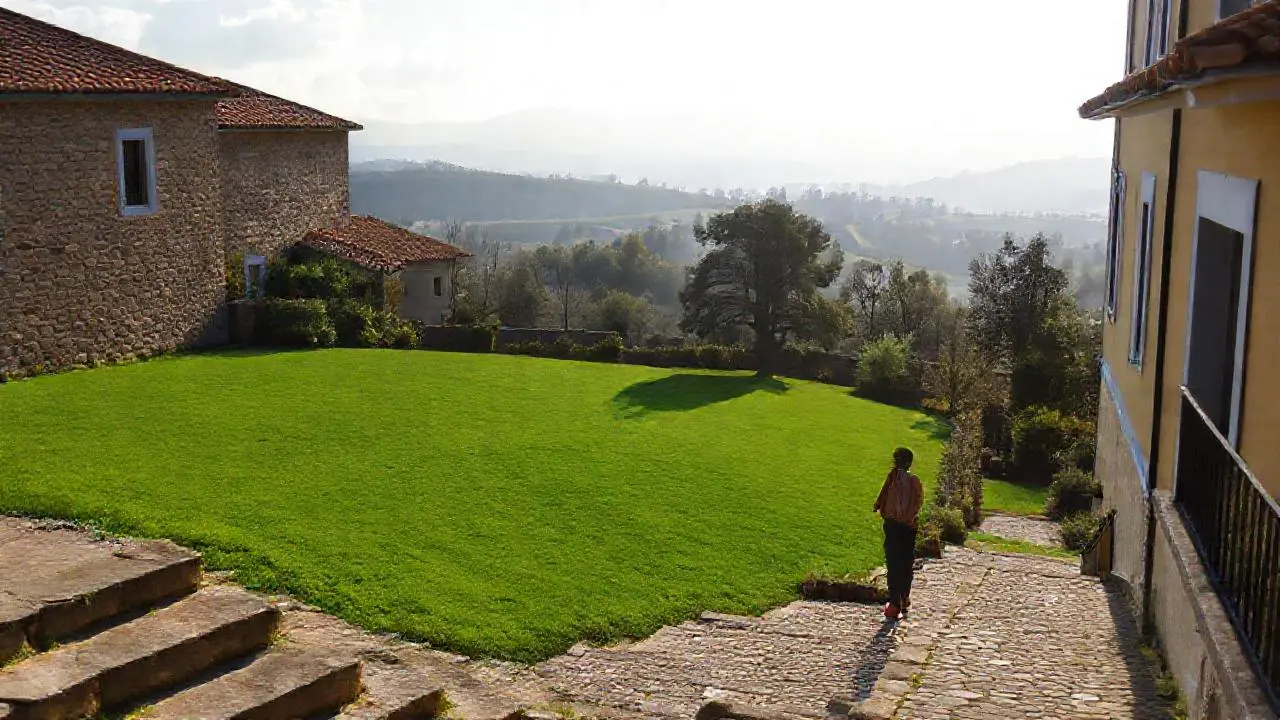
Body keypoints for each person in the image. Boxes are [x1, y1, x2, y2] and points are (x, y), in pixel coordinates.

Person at [873, 447, 924, 620]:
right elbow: (918, 502)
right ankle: (903, 597)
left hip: (896, 525)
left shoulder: (895, 478)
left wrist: (880, 506)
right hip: (906, 526)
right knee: (904, 562)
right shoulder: (910, 480)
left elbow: (884, 495)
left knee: (895, 562)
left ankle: (896, 603)